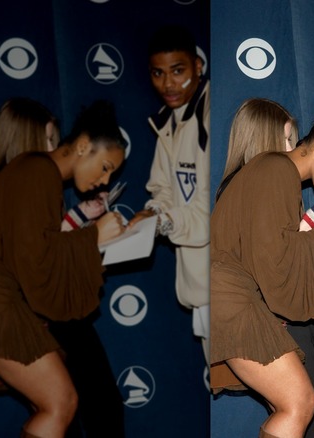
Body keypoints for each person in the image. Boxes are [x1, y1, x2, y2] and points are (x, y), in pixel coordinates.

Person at [210, 100, 314, 438]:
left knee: (303, 402)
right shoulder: (276, 169)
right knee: (298, 403)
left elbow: (274, 247)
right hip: (237, 302)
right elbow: (274, 258)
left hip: (239, 300)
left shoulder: (276, 173)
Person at [0, 100, 126, 438]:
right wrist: (93, 237)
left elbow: (32, 250)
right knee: (60, 402)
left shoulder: (35, 172)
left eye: (111, 174)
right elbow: (34, 258)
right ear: (83, 146)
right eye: (104, 167)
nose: (104, 180)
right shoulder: (37, 171)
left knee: (60, 401)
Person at [128, 25, 211, 365]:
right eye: (158, 73)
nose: (168, 84)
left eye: (178, 71)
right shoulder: (168, 120)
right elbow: (161, 188)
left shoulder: (211, 115)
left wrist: (162, 221)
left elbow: (211, 212)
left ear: (197, 67)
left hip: (228, 279)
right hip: (200, 280)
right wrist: (153, 214)